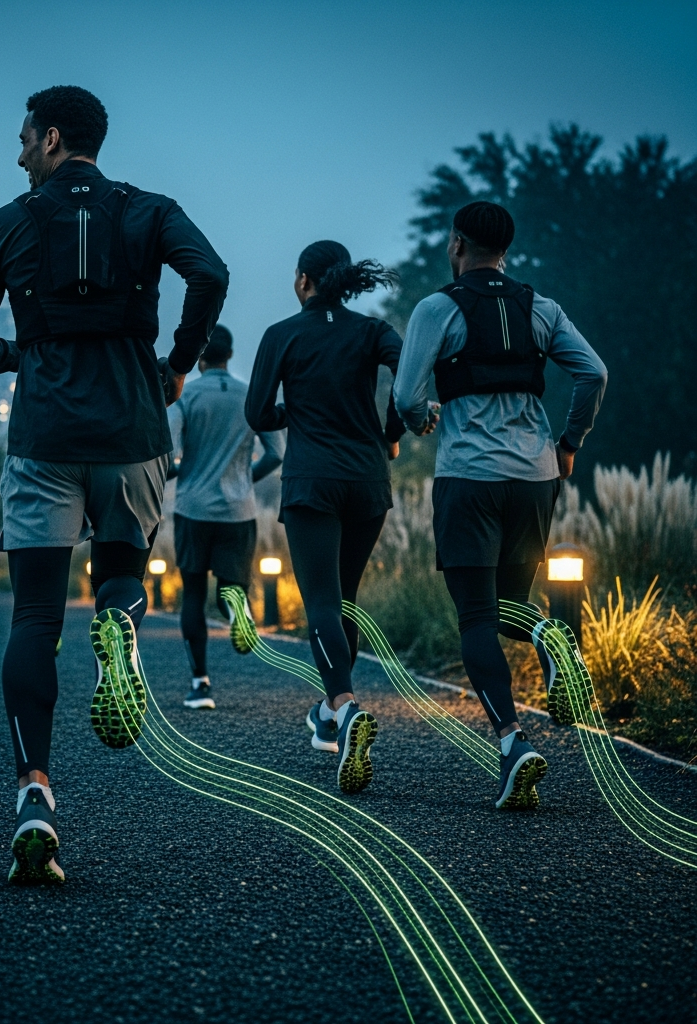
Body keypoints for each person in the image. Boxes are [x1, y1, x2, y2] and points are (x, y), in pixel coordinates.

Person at [0, 86, 228, 884]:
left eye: (24, 137)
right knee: (120, 579)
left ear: (52, 138)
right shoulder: (151, 211)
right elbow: (211, 273)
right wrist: (175, 361)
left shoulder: (11, 220)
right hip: (134, 436)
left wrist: (23, 355)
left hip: (43, 440)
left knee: (35, 615)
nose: (18, 152)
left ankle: (35, 793)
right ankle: (120, 629)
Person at [394, 200, 607, 811]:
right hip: (536, 476)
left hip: (469, 476)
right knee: (512, 604)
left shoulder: (437, 308)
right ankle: (550, 635)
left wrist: (424, 416)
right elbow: (594, 374)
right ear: (506, 250)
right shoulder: (542, 308)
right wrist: (568, 443)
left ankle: (513, 745)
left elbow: (408, 394)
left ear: (457, 243)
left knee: (477, 617)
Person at [246, 241, 411, 795]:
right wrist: (391, 431)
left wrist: (294, 411)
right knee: (345, 599)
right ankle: (328, 710)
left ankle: (343, 707)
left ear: (303, 281)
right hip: (366, 480)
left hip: (311, 480)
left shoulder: (282, 334)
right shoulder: (372, 331)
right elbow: (407, 367)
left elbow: (256, 412)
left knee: (319, 599)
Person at [166, 323, 284, 709]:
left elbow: (169, 457)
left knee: (194, 594)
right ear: (229, 355)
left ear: (200, 356)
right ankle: (238, 609)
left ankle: (200, 683)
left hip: (193, 508)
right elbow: (276, 452)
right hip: (239, 509)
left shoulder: (186, 397)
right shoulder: (249, 395)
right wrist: (243, 480)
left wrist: (185, 471)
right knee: (231, 585)